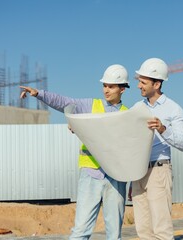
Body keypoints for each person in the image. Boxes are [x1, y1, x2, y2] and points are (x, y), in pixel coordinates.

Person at [20, 64, 130, 240]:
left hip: (116, 179)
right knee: (80, 231)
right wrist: (39, 94)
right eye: (104, 85)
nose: (106, 90)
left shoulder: (127, 114)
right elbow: (64, 102)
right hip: (91, 174)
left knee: (114, 233)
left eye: (111, 86)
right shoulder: (91, 105)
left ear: (122, 89)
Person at [132, 58, 183, 240]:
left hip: (159, 170)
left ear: (156, 84)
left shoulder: (174, 109)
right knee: (143, 230)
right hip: (139, 173)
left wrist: (163, 128)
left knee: (161, 229)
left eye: (143, 82)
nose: (139, 85)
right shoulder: (137, 107)